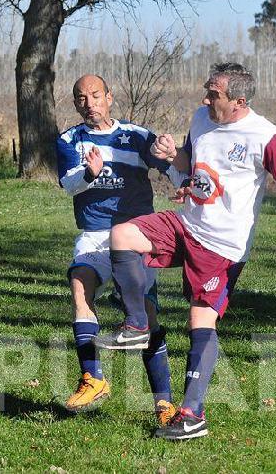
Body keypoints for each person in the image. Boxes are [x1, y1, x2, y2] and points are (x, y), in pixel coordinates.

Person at [98, 63, 276, 441]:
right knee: (122, 235)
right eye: (206, 90)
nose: (204, 98)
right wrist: (173, 155)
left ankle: (191, 415)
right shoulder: (202, 117)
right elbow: (192, 163)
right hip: (188, 224)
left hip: (222, 248)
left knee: (200, 322)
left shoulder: (264, 136)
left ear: (239, 100)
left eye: (213, 94)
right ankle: (136, 324)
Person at [55, 74, 184, 426]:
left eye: (96, 95)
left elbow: (171, 166)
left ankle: (164, 404)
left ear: (109, 98)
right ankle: (93, 378)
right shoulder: (69, 140)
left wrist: (184, 183)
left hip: (136, 236)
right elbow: (68, 184)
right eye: (81, 98)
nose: (89, 103)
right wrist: (89, 174)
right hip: (95, 234)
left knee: (146, 315)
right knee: (80, 287)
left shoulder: (138, 136)